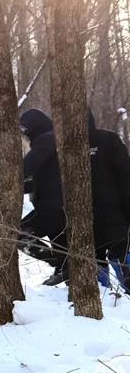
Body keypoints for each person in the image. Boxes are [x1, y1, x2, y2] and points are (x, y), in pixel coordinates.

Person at [18, 109, 69, 286]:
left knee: (19, 235)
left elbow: (28, 166)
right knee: (61, 244)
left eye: (25, 130)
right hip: (55, 204)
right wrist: (19, 188)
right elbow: (44, 180)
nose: (25, 135)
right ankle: (64, 268)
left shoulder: (46, 139)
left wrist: (8, 180)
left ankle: (62, 266)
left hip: (52, 207)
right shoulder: (50, 140)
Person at [87, 110, 130, 293]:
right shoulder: (65, 148)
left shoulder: (108, 140)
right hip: (85, 222)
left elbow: (126, 176)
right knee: (97, 273)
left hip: (114, 218)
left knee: (121, 260)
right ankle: (108, 303)